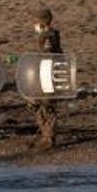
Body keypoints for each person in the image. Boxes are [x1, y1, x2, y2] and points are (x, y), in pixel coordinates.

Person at [28, 9, 62, 148]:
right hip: (51, 73)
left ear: (41, 24)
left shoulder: (46, 37)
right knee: (44, 105)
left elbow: (48, 55)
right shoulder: (54, 34)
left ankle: (48, 137)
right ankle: (47, 134)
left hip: (47, 74)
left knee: (45, 106)